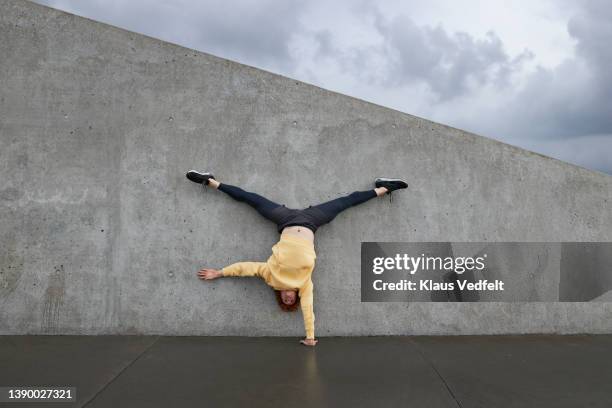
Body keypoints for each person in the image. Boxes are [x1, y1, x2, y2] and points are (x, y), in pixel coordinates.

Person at [188, 170, 407, 346]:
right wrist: (310, 337)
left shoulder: (270, 277)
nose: (289, 299)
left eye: (285, 300)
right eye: (291, 301)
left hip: (285, 220)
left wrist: (219, 273)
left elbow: (245, 268)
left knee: (250, 198)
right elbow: (308, 309)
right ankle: (384, 187)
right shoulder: (304, 285)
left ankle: (210, 181)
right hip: (313, 221)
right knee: (346, 202)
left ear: (280, 296)